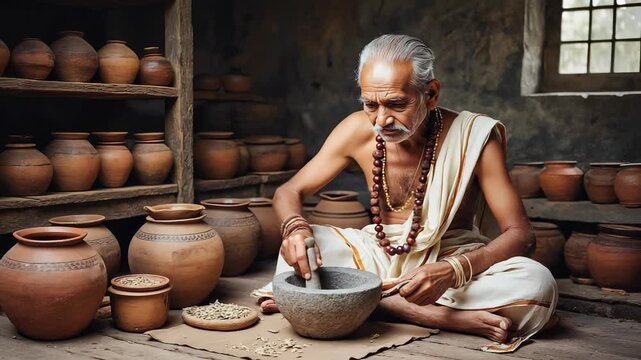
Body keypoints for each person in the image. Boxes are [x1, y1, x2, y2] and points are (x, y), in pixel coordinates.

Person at [252, 34, 557, 353]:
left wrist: (453, 271)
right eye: (370, 104)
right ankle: (433, 315)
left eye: (396, 104)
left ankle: (354, 299)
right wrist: (295, 230)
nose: (381, 120)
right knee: (307, 246)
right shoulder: (357, 130)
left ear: (431, 93)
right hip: (378, 254)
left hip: (449, 258)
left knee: (537, 284)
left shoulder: (474, 137)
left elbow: (522, 235)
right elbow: (290, 190)